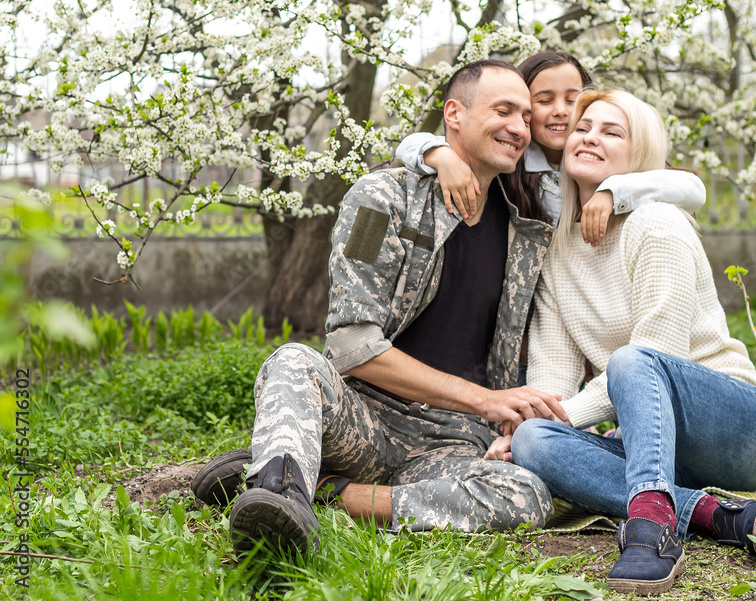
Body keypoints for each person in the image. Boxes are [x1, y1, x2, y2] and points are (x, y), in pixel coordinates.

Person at [211, 60, 572, 556]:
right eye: (504, 110)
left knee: (525, 496)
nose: (518, 127)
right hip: (363, 418)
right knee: (294, 361)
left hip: (453, 441)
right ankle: (276, 500)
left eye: (526, 118)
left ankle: (321, 492)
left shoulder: (526, 235)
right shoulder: (378, 202)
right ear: (454, 115)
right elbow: (351, 346)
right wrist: (485, 399)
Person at [489, 90, 756, 596]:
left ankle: (652, 529)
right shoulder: (559, 248)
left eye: (611, 131)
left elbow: (655, 357)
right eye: (584, 128)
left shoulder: (658, 225)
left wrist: (569, 417)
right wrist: (528, 426)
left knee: (632, 360)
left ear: (637, 157)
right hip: (652, 440)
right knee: (536, 440)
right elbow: (553, 376)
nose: (589, 137)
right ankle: (710, 512)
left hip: (736, 429)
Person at [397, 51, 706, 242]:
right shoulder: (510, 162)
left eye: (572, 100)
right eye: (544, 101)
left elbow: (692, 188)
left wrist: (613, 192)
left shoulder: (606, 157)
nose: (561, 110)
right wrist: (441, 157)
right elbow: (410, 144)